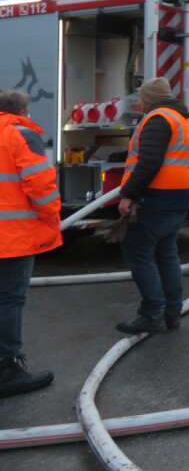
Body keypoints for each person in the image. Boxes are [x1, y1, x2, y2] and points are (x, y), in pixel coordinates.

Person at [115, 78, 189, 334]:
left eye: (141, 97)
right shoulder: (181, 119)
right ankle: (172, 312)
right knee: (166, 253)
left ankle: (152, 313)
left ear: (148, 98)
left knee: (138, 251)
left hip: (157, 196)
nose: (138, 102)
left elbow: (149, 162)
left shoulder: (157, 119)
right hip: (178, 196)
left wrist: (128, 194)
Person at [0, 89, 61, 398]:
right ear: (22, 110)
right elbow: (41, 186)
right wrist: (52, 219)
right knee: (10, 299)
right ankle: (6, 370)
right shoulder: (21, 134)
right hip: (13, 236)